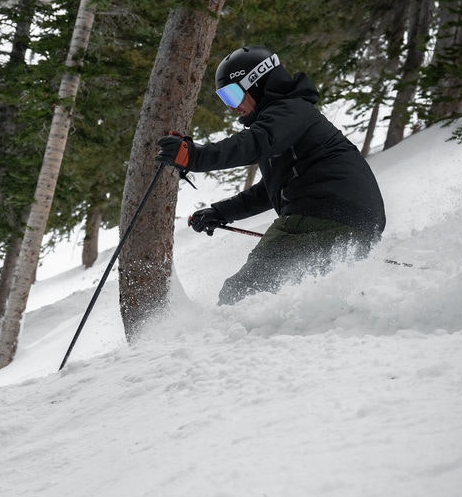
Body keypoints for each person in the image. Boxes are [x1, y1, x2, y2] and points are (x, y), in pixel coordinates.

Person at [156, 45, 386, 304]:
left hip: (324, 216)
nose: (233, 108)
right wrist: (221, 213)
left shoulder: (290, 111)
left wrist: (195, 157)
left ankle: (231, 341)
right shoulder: (290, 117)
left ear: (256, 83)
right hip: (348, 220)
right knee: (298, 296)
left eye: (233, 95)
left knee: (240, 294)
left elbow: (255, 143)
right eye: (225, 99)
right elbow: (272, 188)